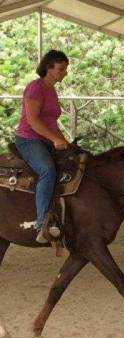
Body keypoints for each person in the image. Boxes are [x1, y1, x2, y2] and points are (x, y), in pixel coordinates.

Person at [15, 50, 69, 243]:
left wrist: (66, 143)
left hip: (46, 139)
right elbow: (32, 121)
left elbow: (51, 122)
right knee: (47, 170)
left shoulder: (51, 90)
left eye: (65, 69)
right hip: (28, 139)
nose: (65, 73)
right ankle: (42, 223)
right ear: (49, 68)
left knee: (75, 162)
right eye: (61, 69)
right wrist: (55, 140)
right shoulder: (35, 87)